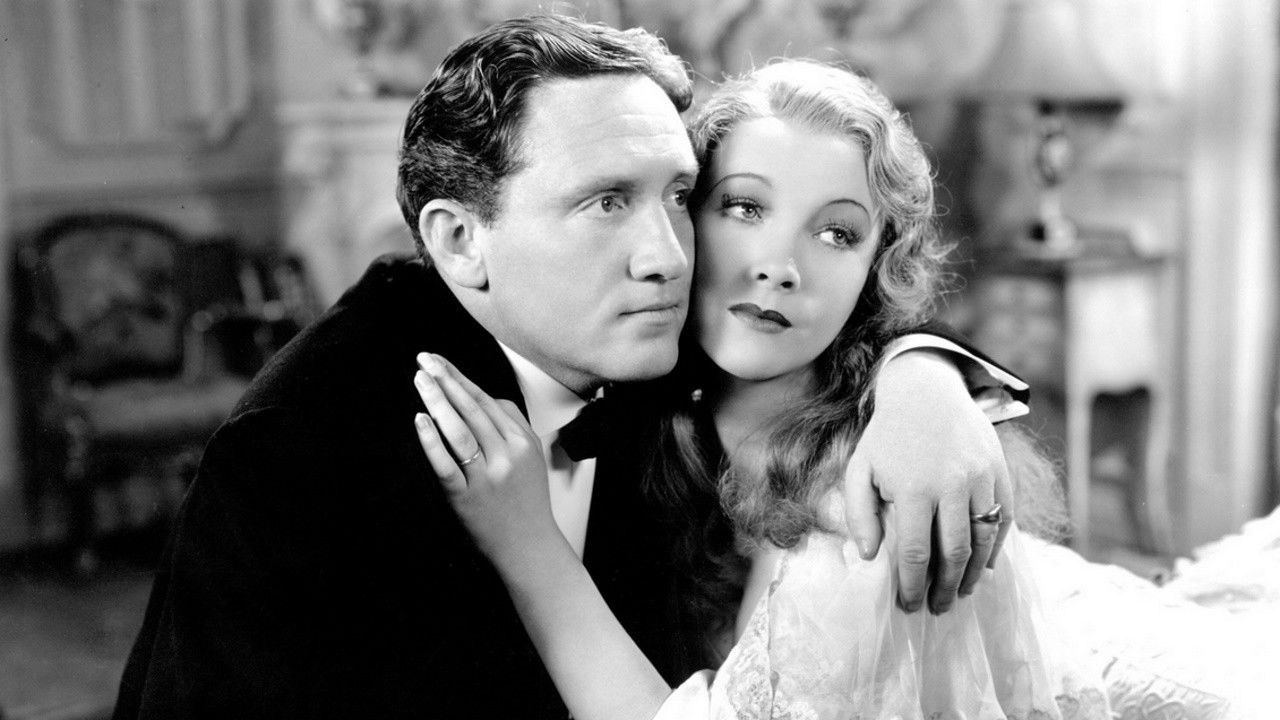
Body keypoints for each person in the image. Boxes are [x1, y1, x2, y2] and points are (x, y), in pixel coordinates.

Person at [115, 16, 1027, 720]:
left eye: (679, 195)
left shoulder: (646, 334)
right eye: (606, 202)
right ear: (460, 242)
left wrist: (926, 384)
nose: (668, 256)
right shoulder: (305, 451)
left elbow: (846, 315)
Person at [412, 59, 1108, 720]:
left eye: (836, 233)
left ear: (873, 272)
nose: (780, 267)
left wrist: (528, 548)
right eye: (745, 207)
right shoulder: (645, 405)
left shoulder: (868, 514)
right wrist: (926, 368)